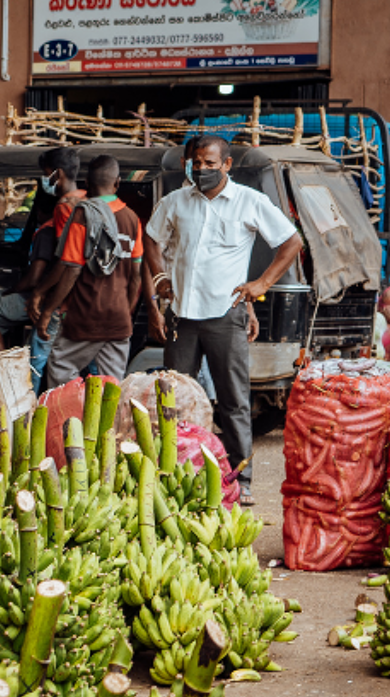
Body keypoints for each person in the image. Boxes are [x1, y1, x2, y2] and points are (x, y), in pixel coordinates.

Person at [144, 135, 303, 506]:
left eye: (210, 164)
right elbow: (151, 240)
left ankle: (240, 478)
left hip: (225, 314)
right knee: (175, 399)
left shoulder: (250, 202)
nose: (201, 170)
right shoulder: (176, 202)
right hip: (182, 315)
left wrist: (261, 283)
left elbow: (291, 242)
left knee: (233, 402)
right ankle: (178, 471)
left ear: (227, 165)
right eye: (196, 163)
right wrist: (160, 277)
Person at [31, 154, 145, 389]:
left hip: (86, 316)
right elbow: (136, 276)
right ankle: (107, 426)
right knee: (112, 386)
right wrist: (127, 308)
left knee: (60, 368)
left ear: (88, 184)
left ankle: (71, 422)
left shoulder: (84, 215)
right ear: (117, 182)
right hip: (119, 319)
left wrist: (47, 310)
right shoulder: (132, 219)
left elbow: (71, 269)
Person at [0, 147, 82, 373]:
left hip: (56, 300)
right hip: (72, 298)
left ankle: (8, 375)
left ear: (57, 174)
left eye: (47, 173)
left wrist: (40, 295)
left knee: (34, 365)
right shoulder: (85, 203)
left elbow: (66, 262)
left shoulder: (63, 211)